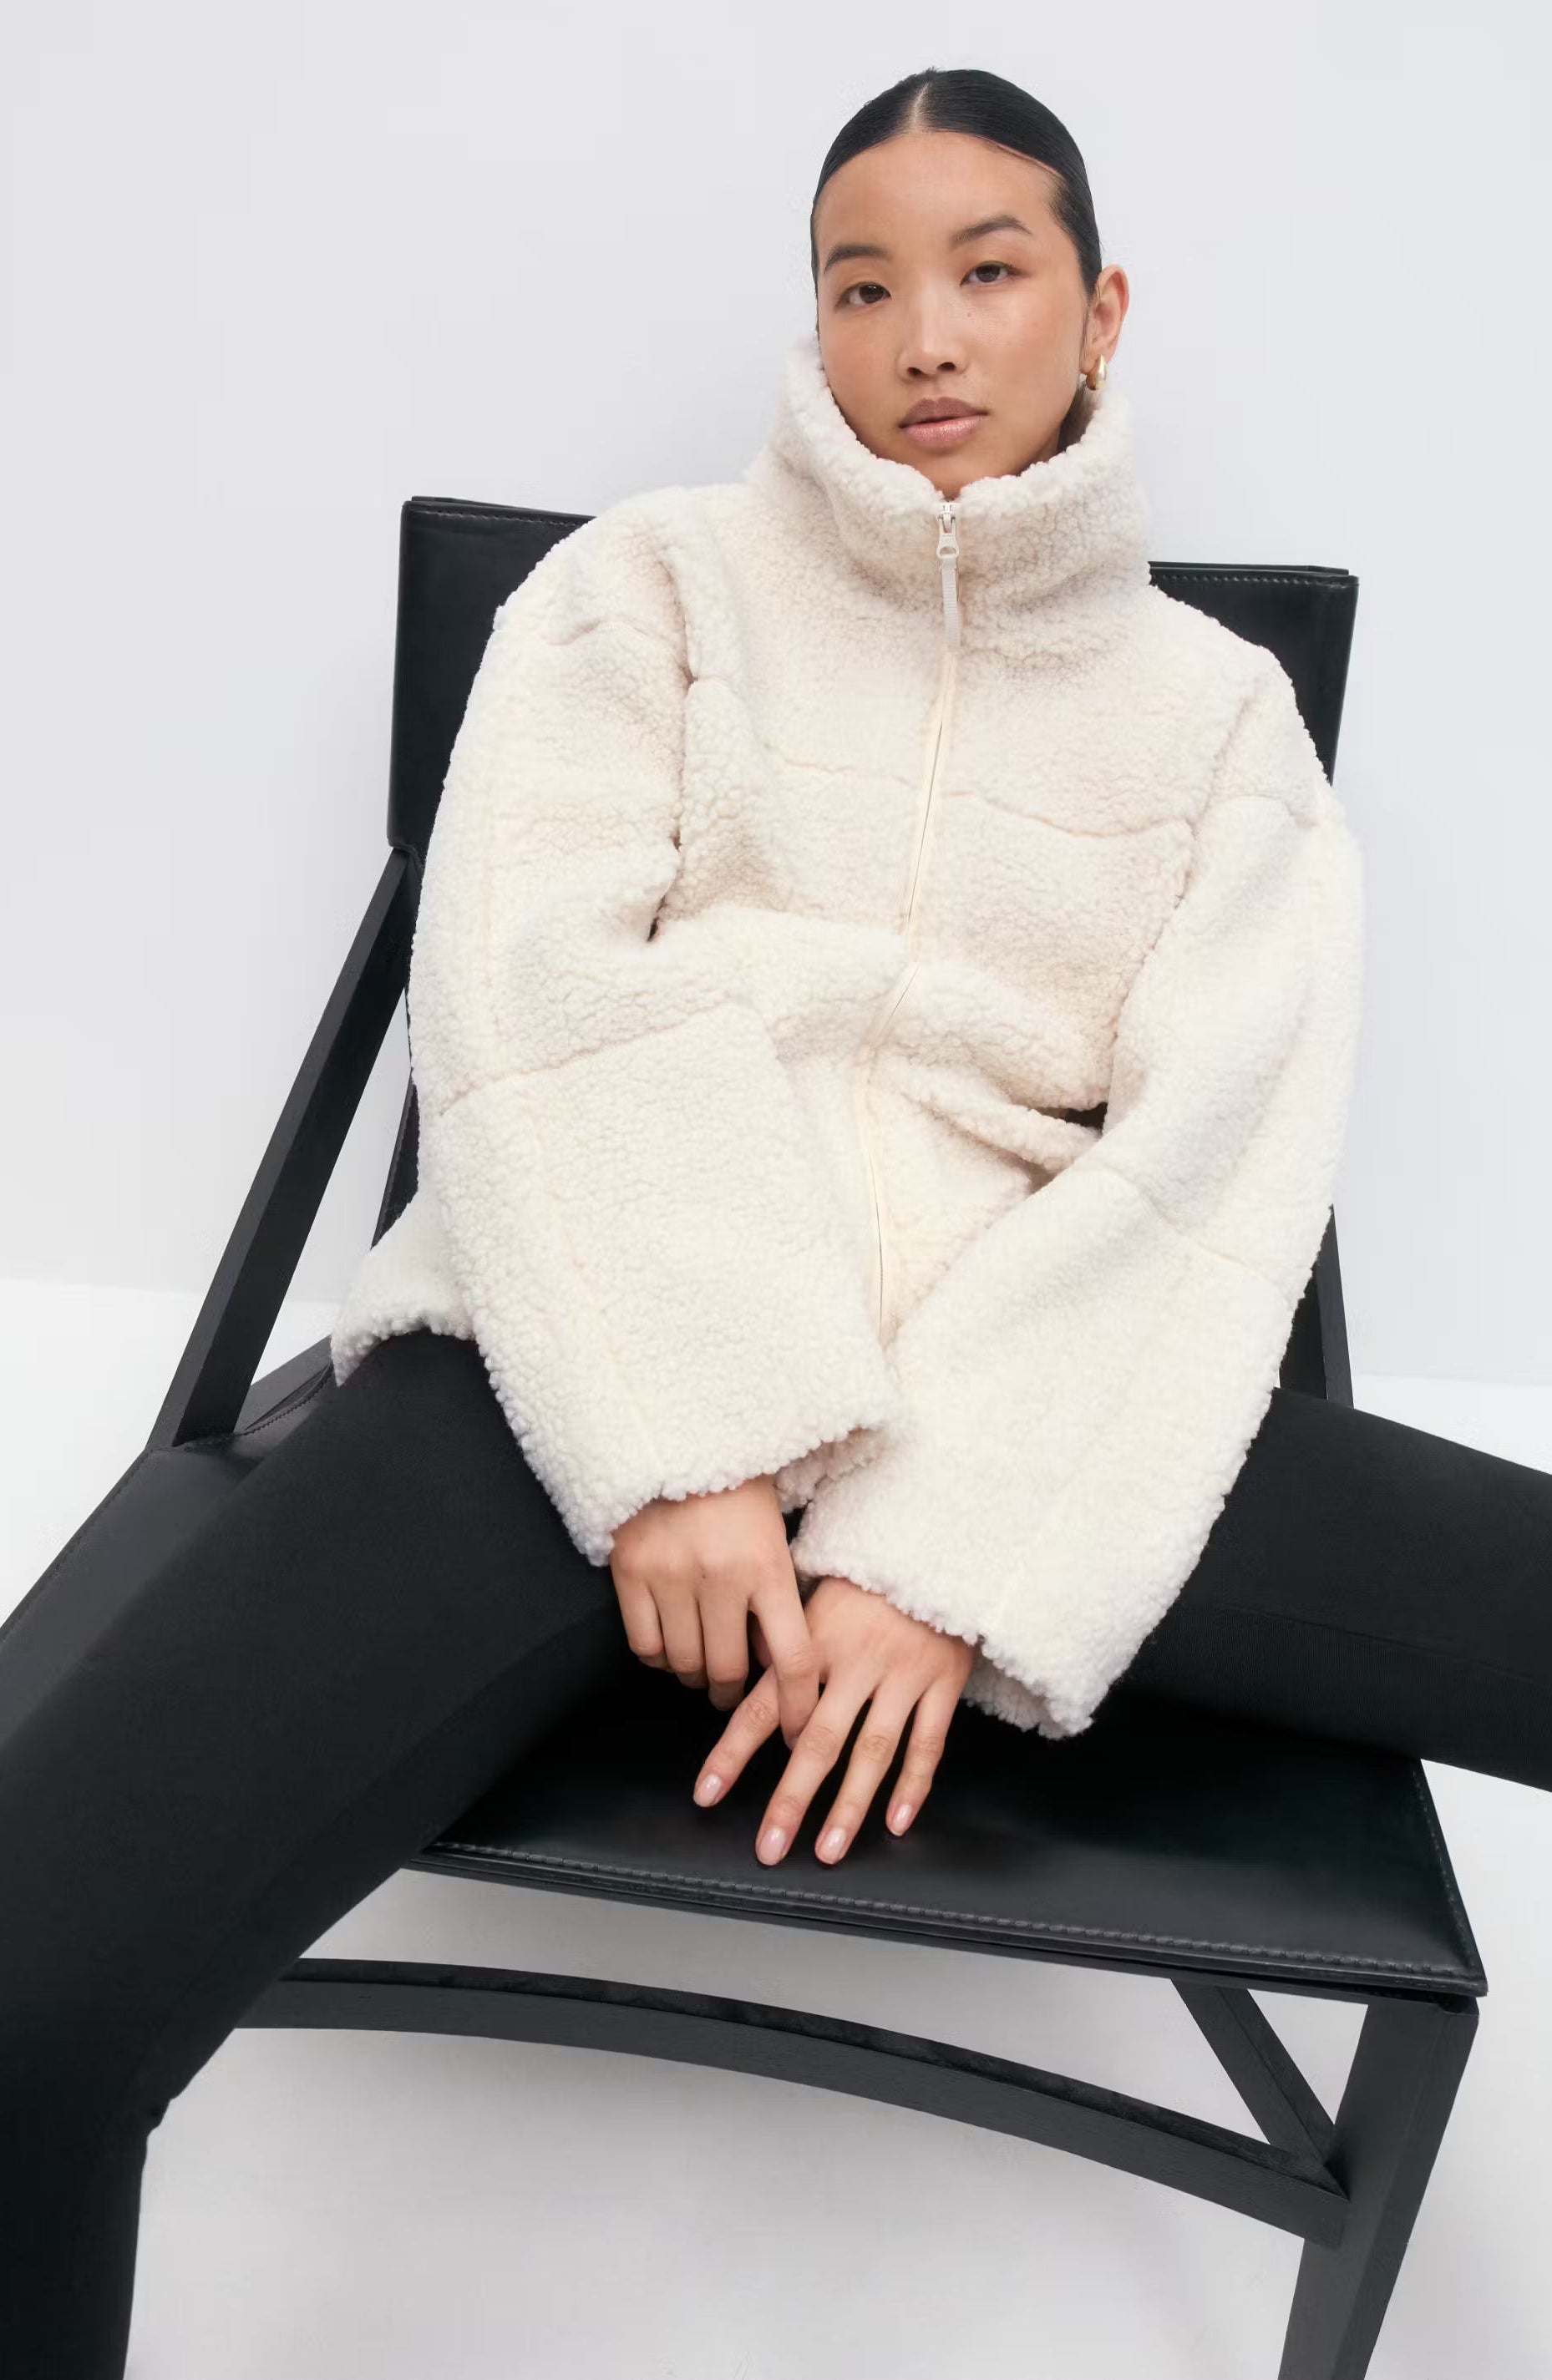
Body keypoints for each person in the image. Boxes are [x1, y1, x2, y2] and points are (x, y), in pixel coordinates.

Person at [3, 63, 1549, 2380]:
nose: (922, 333)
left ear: (1102, 309)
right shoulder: (641, 590)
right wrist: (689, 1424)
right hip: (576, 1371)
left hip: (1033, 1380)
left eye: (987, 269)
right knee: (27, 1992)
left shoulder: (1222, 726)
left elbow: (1208, 1176)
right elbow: (527, 1006)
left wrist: (949, 1554)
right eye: (860, 284)